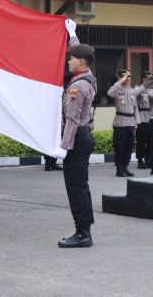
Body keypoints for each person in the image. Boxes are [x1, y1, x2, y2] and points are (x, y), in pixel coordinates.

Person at [54, 19, 96, 249]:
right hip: (83, 137)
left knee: (76, 186)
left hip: (76, 138)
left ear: (80, 62)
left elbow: (71, 120)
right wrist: (72, 33)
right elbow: (79, 49)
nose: (68, 61)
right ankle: (84, 230)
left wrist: (64, 145)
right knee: (81, 184)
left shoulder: (77, 87)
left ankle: (82, 234)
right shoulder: (87, 75)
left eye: (71, 58)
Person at [107, 69, 140, 177]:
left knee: (129, 147)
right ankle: (119, 169)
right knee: (120, 146)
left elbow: (135, 108)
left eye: (128, 77)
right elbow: (109, 93)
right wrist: (119, 82)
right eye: (124, 77)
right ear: (120, 77)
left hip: (130, 122)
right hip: (120, 122)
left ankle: (125, 167)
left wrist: (137, 121)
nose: (127, 79)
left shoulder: (131, 91)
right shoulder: (117, 89)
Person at [134, 73, 151, 169]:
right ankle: (140, 160)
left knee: (150, 141)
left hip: (151, 118)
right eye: (147, 78)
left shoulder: (152, 89)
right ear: (143, 78)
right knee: (141, 141)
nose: (148, 80)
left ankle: (148, 159)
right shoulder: (139, 88)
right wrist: (144, 86)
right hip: (142, 118)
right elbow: (135, 93)